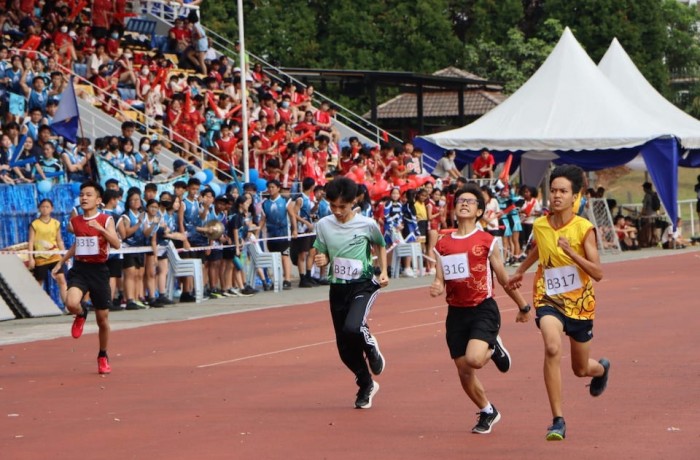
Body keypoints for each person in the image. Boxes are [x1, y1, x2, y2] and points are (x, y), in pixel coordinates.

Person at [508, 165, 610, 441]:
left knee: (580, 369)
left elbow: (598, 273)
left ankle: (600, 369)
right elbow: (540, 249)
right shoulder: (541, 225)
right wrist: (520, 271)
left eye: (563, 191)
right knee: (552, 347)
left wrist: (571, 253)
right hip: (548, 297)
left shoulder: (583, 229)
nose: (556, 196)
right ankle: (557, 420)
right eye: (553, 190)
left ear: (576, 196)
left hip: (580, 304)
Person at [429, 183, 530, 434]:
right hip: (456, 312)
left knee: (474, 360)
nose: (463, 203)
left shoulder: (487, 240)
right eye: (460, 199)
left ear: (479, 211)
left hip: (483, 308)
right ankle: (488, 411)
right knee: (464, 371)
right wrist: (437, 285)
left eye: (470, 201)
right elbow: (440, 278)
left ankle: (493, 346)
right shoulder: (443, 244)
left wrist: (523, 306)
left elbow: (504, 279)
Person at [313, 177, 389, 409]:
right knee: (344, 348)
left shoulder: (366, 224)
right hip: (338, 287)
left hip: (363, 284)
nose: (337, 211)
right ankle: (366, 384)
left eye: (342, 207)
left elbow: (381, 244)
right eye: (332, 206)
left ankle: (371, 347)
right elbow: (321, 252)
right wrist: (321, 259)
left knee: (353, 327)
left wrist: (384, 271)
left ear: (353, 201)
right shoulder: (323, 225)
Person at [51, 181, 121, 375]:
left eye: (89, 195)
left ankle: (102, 355)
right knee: (70, 302)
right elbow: (77, 245)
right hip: (80, 269)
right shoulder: (75, 221)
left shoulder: (107, 219)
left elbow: (116, 244)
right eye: (82, 194)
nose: (84, 198)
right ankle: (81, 313)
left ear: (98, 200)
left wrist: (101, 229)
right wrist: (61, 261)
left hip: (99, 271)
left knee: (102, 320)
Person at [28, 199, 67, 301]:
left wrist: (64, 255)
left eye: (47, 207)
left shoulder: (55, 223)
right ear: (39, 208)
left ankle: (68, 306)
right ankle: (35, 305)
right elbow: (31, 241)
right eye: (43, 207)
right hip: (41, 257)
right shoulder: (34, 224)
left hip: (54, 255)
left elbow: (59, 240)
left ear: (51, 209)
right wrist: (31, 258)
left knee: (61, 279)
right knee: (39, 281)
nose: (45, 209)